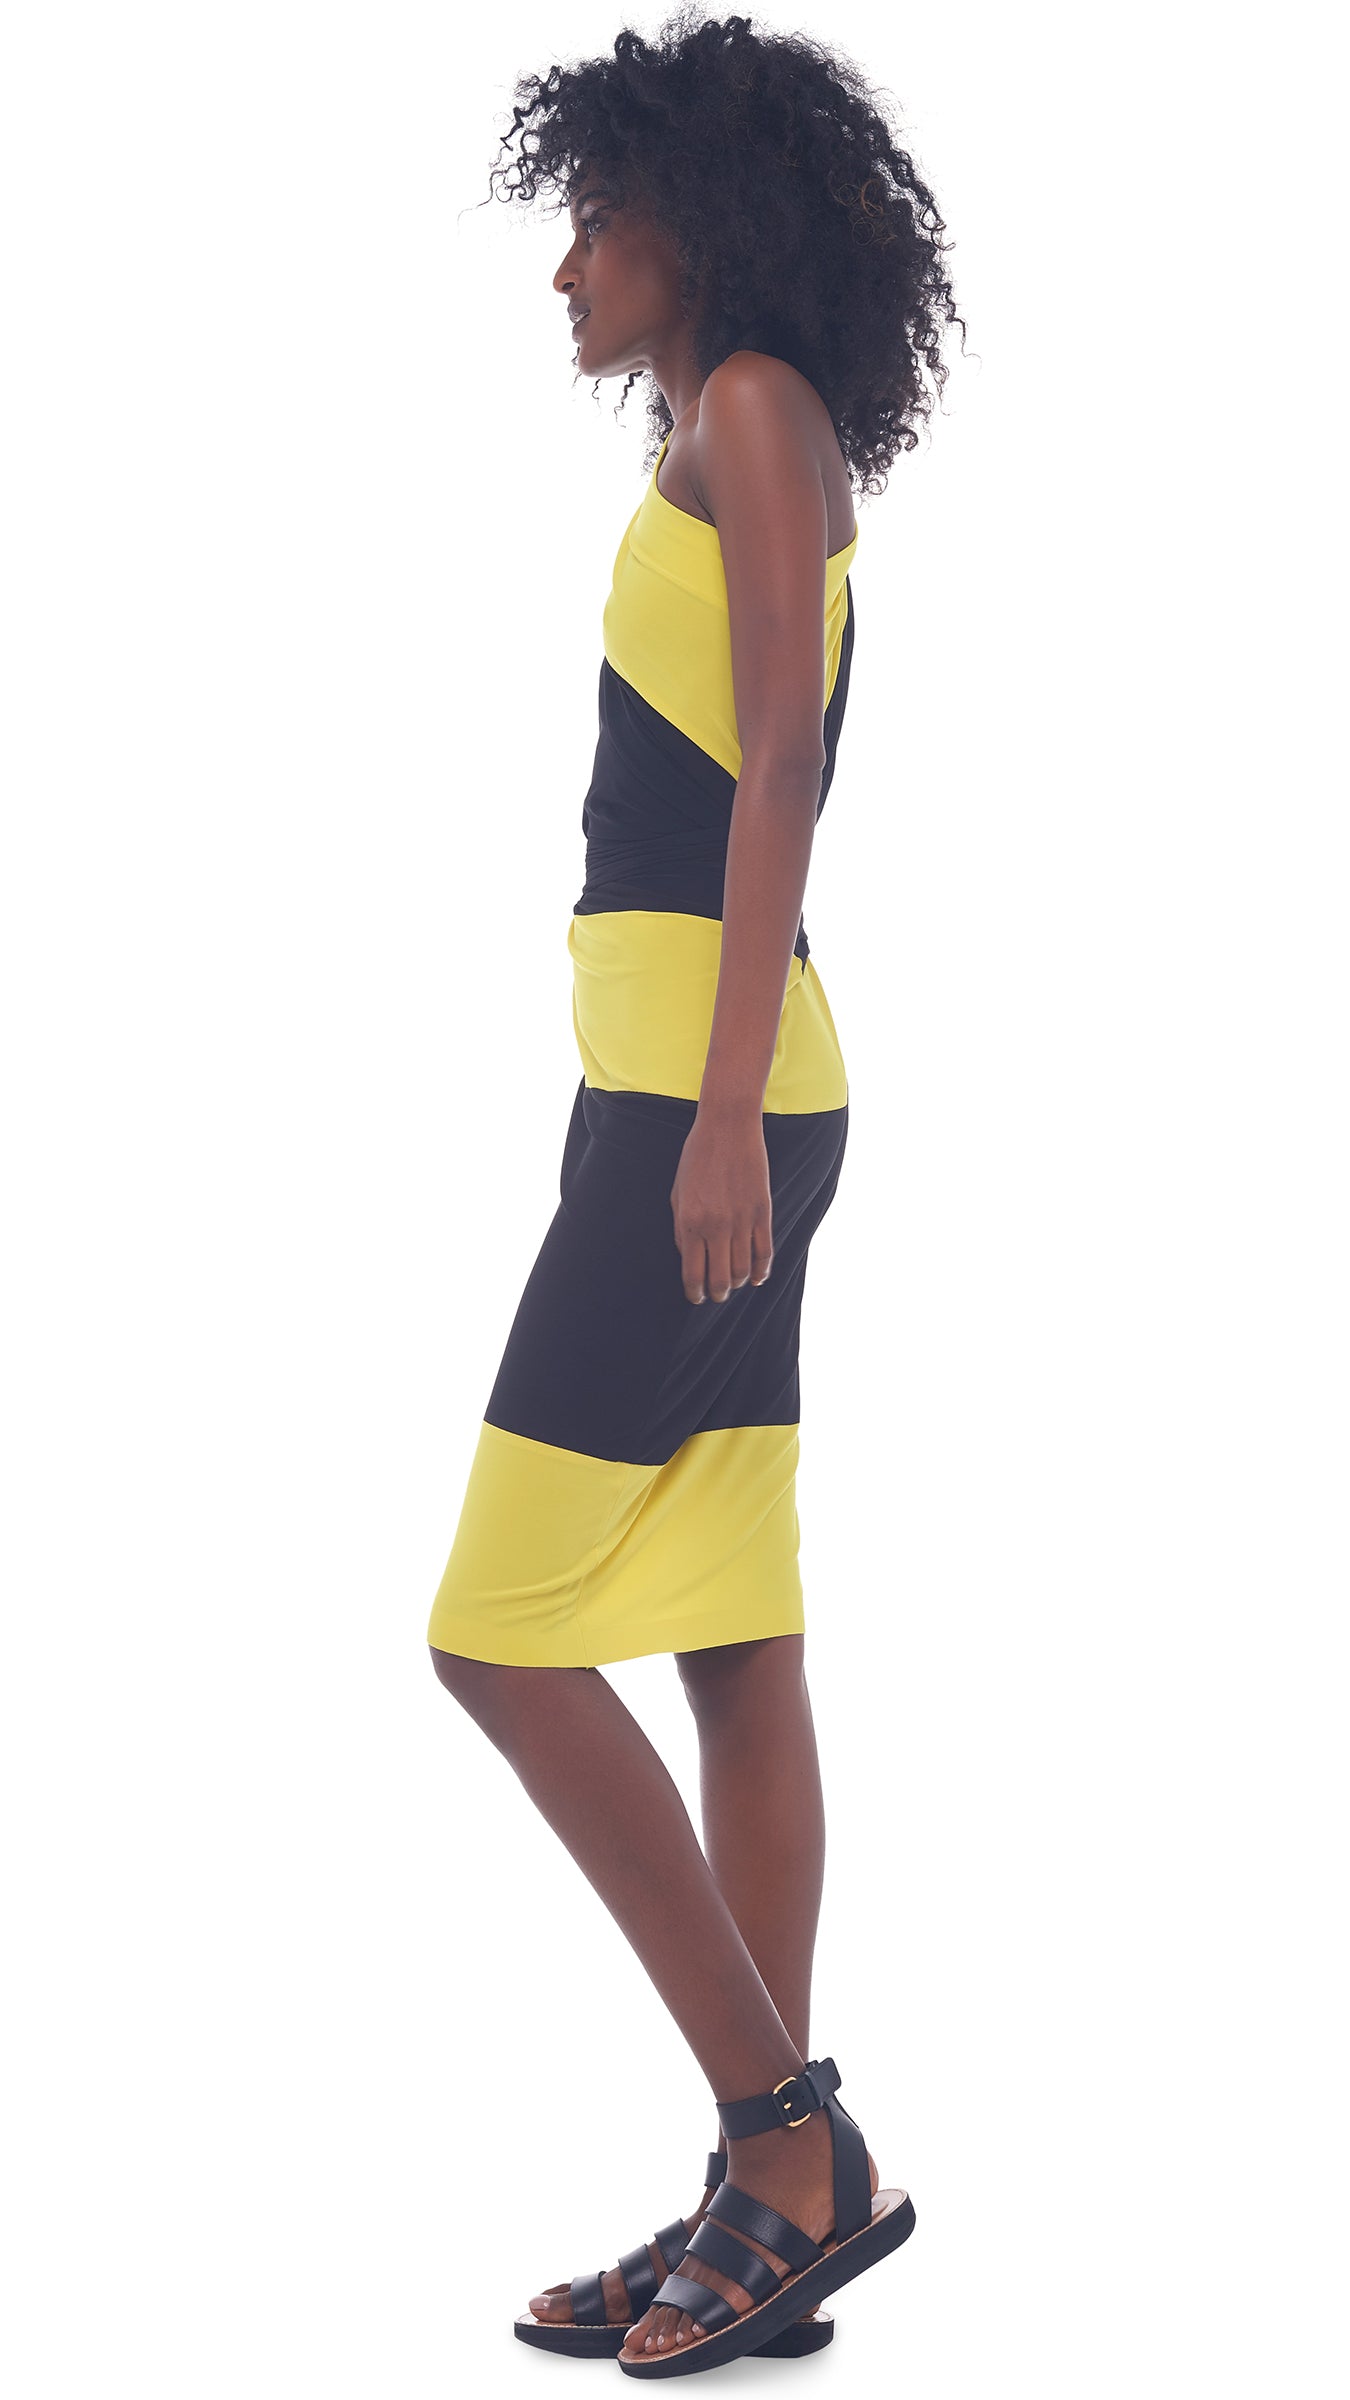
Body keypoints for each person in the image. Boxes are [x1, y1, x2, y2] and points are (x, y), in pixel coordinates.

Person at [425, 13, 962, 2373]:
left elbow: (777, 783)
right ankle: (766, 2201)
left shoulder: (751, 409)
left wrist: (722, 1111)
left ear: (701, 219)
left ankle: (791, 2139)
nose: (567, 266)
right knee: (732, 1633)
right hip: (673, 1085)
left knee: (495, 1634)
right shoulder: (729, 416)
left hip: (700, 1105)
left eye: (597, 216)